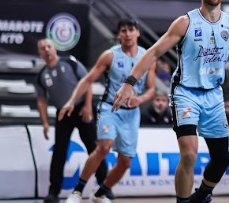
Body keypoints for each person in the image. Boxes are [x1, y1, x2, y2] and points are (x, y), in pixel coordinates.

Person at [112, 0, 229, 203]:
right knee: (190, 155)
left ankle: (201, 195)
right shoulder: (185, 22)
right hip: (185, 93)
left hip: (214, 95)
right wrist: (128, 83)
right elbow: (154, 52)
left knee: (222, 159)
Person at [59, 19, 156, 203]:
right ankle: (77, 192)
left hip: (131, 113)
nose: (128, 34)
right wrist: (71, 101)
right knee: (104, 146)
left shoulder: (148, 57)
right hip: (110, 108)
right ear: (119, 35)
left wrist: (140, 99)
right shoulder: (109, 55)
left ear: (138, 33)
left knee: (125, 162)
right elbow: (88, 79)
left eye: (131, 30)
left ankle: (100, 193)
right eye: (123, 30)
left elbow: (151, 89)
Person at [35, 39, 108, 203]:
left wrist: (88, 106)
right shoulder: (42, 75)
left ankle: (104, 187)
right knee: (59, 152)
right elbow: (41, 101)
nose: (46, 50)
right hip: (62, 113)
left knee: (94, 148)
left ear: (55, 48)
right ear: (39, 53)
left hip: (81, 109)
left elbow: (87, 82)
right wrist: (45, 123)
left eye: (49, 46)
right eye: (43, 48)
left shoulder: (70, 62)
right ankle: (53, 192)